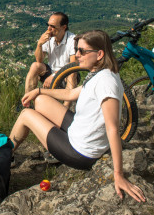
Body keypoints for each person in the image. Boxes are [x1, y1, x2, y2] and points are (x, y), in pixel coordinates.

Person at [10, 30, 146, 202]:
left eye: (82, 51)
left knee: (25, 115)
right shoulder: (99, 72)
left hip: (80, 152)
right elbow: (71, 94)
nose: (77, 55)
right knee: (41, 100)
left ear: (99, 54)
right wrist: (37, 91)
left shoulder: (106, 83)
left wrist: (118, 174)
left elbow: (113, 129)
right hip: (79, 129)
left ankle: (5, 157)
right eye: (77, 49)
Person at [25, 12, 76, 94]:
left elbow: (73, 64)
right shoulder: (48, 37)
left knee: (72, 73)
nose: (49, 28)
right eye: (48, 25)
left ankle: (67, 104)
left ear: (64, 27)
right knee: (35, 66)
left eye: (53, 26)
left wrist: (54, 75)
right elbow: (39, 60)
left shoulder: (72, 40)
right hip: (51, 70)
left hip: (66, 74)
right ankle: (27, 99)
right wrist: (39, 44)